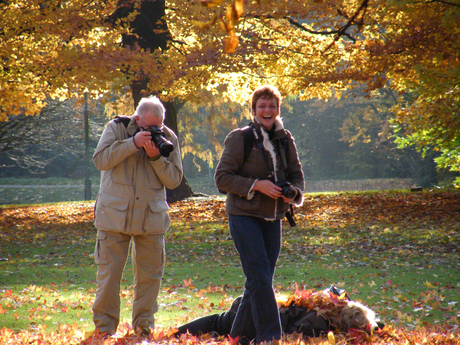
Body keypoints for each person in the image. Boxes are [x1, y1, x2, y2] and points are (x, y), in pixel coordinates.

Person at [215, 85, 305, 345]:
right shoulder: (240, 137)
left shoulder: (285, 139)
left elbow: (297, 175)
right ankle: (271, 338)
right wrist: (256, 185)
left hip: (273, 218)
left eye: (272, 106)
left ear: (278, 110)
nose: (267, 110)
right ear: (254, 110)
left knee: (258, 281)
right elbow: (222, 179)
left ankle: (239, 337)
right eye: (262, 106)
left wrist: (294, 193)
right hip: (243, 216)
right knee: (259, 276)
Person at [91, 96, 183, 337]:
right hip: (114, 216)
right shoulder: (117, 128)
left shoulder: (168, 138)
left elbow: (174, 179)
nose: (153, 132)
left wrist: (155, 158)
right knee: (109, 276)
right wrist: (132, 143)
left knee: (149, 277)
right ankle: (104, 329)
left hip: (150, 219)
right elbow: (100, 160)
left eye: (158, 127)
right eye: (147, 127)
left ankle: (143, 328)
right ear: (137, 118)